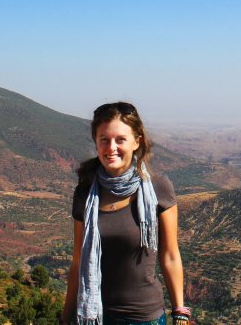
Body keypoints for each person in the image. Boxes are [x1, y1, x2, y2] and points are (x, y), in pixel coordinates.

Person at [61, 102, 190, 325]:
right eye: (104, 139)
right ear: (96, 142)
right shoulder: (85, 192)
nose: (111, 147)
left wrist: (180, 311)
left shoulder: (159, 188)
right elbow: (78, 261)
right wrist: (65, 317)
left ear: (136, 142)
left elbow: (169, 255)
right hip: (96, 316)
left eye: (120, 139)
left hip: (144, 318)